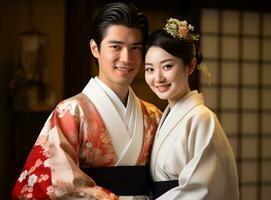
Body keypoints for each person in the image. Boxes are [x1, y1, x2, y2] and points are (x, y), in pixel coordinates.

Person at [11, 2, 161, 200]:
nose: (126, 58)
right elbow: (50, 181)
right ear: (95, 48)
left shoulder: (153, 115)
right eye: (116, 47)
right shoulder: (70, 112)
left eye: (135, 48)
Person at [144, 18, 239, 199]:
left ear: (190, 65)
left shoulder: (201, 118)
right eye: (150, 69)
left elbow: (202, 189)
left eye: (167, 66)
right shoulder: (166, 118)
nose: (158, 78)